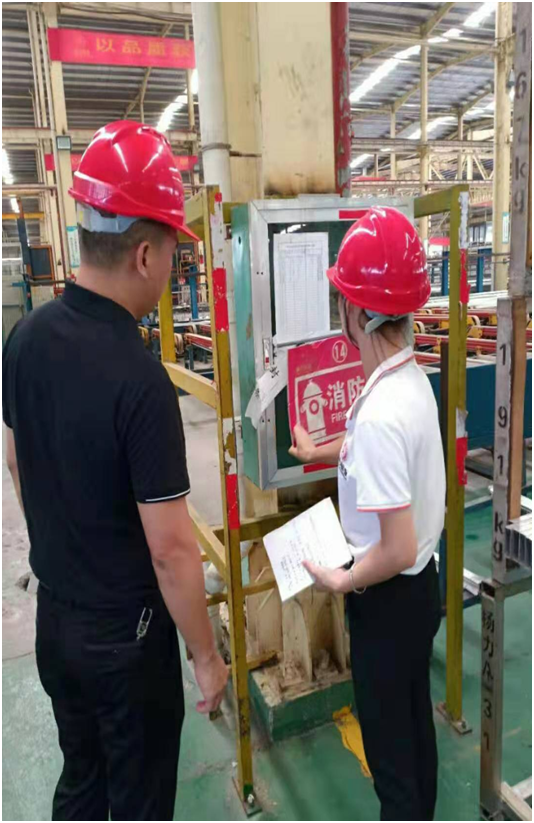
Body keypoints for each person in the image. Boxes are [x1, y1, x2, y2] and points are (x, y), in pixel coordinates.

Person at [3, 121, 228, 821]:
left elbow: (15, 458)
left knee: (82, 782)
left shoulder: (24, 339)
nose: (171, 268)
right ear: (144, 253)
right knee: (138, 800)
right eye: (172, 252)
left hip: (56, 623)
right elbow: (171, 551)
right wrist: (206, 656)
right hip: (126, 644)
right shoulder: (139, 380)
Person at [290, 207, 444, 821]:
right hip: (418, 593)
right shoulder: (408, 380)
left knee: (390, 761)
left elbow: (395, 548)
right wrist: (320, 452)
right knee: (413, 733)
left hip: (386, 598)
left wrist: (341, 579)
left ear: (356, 312)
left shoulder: (381, 410)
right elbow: (374, 453)